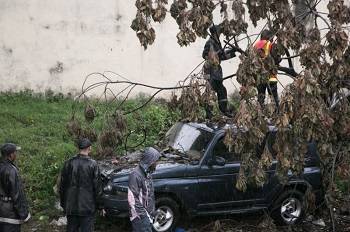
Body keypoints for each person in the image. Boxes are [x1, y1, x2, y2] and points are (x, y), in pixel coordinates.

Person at [59, 138, 102, 232]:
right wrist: (99, 206)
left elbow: (62, 186)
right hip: (87, 207)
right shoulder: (93, 164)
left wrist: (64, 204)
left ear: (79, 148)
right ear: (89, 148)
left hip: (71, 207)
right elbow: (97, 188)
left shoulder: (68, 163)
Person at [202, 24, 237, 117]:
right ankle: (209, 114)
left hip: (217, 72)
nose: (220, 32)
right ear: (215, 33)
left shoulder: (216, 42)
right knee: (210, 92)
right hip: (210, 71)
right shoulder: (210, 42)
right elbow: (204, 55)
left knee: (221, 90)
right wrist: (213, 55)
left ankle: (224, 110)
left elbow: (222, 57)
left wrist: (232, 52)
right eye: (218, 31)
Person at [128, 147, 161, 232]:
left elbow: (148, 195)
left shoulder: (147, 173)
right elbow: (132, 199)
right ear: (151, 160)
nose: (157, 163)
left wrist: (152, 212)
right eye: (156, 161)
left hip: (147, 216)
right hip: (139, 218)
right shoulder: (135, 175)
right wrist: (144, 216)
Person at [0, 143, 30, 232]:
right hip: (10, 216)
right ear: (11, 155)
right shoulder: (11, 170)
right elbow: (17, 195)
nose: (16, 154)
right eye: (15, 152)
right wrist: (24, 214)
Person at [254, 29, 281, 111]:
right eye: (272, 37)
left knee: (261, 96)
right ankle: (277, 113)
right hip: (270, 76)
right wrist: (279, 60)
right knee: (273, 96)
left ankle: (260, 114)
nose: (272, 39)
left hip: (259, 76)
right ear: (269, 37)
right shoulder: (270, 44)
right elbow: (276, 59)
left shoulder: (255, 45)